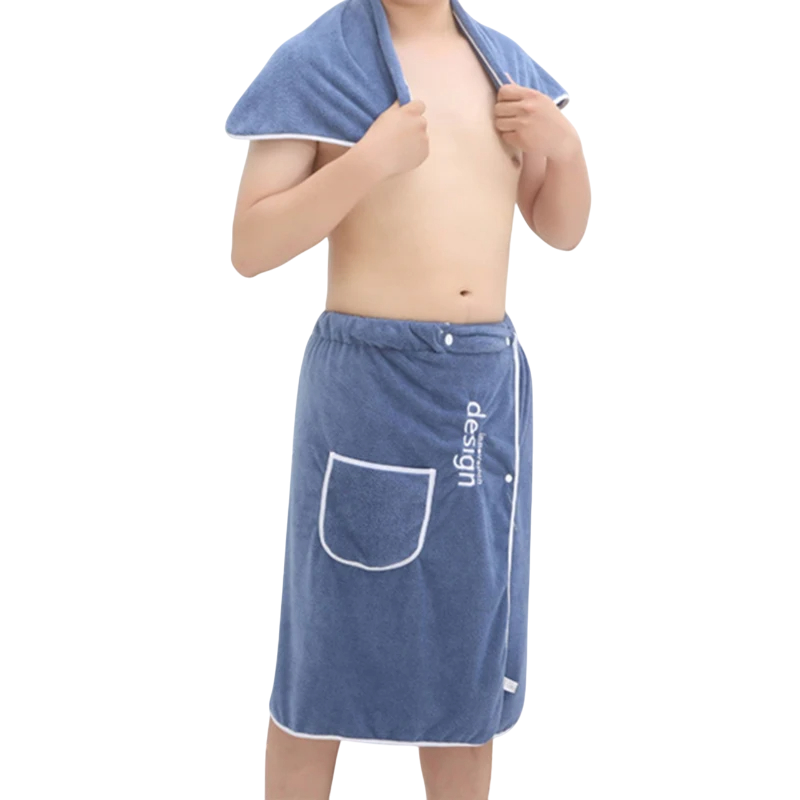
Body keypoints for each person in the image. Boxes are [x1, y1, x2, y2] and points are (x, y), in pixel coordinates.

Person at [229, 1, 590, 797]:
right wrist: (364, 163)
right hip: (369, 396)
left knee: (467, 663)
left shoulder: (505, 65)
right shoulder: (318, 63)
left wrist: (566, 151)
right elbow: (250, 246)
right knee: (322, 656)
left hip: (475, 396)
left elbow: (561, 229)